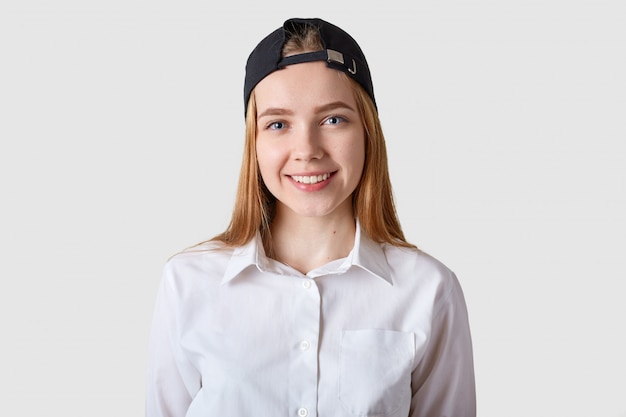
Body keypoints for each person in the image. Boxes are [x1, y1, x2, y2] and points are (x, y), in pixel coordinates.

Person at [146, 17, 476, 417]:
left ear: (368, 131)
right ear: (254, 142)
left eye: (333, 119)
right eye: (278, 124)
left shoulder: (429, 291)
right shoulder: (187, 284)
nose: (307, 149)